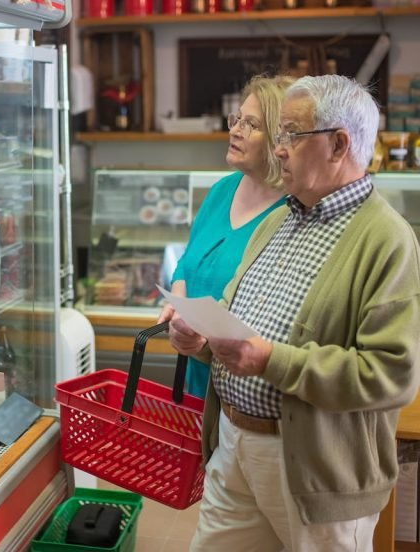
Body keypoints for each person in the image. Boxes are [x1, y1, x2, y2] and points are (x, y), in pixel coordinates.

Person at [168, 74, 420, 551]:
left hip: (314, 469)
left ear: (339, 144)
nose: (279, 148)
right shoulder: (282, 217)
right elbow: (234, 313)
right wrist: (200, 339)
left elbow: (391, 376)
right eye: (278, 133)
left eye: (290, 134)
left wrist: (270, 361)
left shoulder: (387, 240)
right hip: (232, 445)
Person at [158, 74, 293, 398]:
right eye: (237, 119)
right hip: (199, 382)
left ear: (281, 139)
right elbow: (187, 264)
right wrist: (179, 313)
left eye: (251, 125)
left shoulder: (293, 210)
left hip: (250, 390)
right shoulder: (222, 190)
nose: (234, 130)